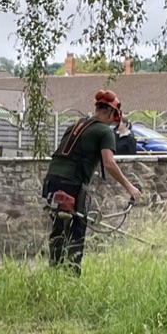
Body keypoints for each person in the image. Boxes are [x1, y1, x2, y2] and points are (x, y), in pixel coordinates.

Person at [41, 89, 142, 274]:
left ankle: (53, 272)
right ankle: (71, 277)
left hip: (51, 181)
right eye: (114, 117)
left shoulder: (75, 125)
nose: (113, 122)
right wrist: (130, 188)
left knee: (58, 229)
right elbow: (109, 163)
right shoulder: (104, 131)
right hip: (72, 183)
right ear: (111, 113)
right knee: (77, 231)